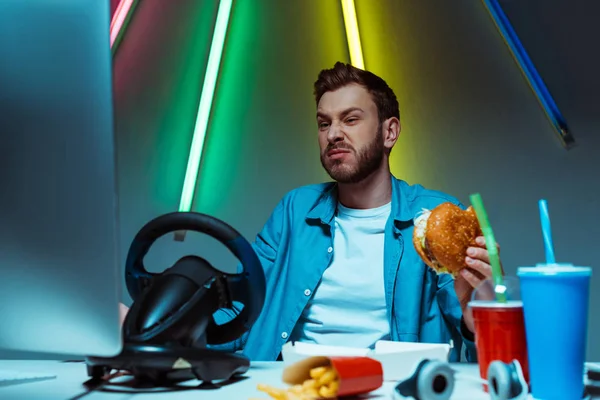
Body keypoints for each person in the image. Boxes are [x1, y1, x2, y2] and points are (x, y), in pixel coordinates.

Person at [121, 62, 496, 362]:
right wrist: (151, 326)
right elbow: (242, 314)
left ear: (389, 132)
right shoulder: (294, 210)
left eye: (350, 119)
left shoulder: (433, 218)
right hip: (294, 387)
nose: (333, 133)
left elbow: (483, 348)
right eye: (324, 122)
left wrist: (480, 317)